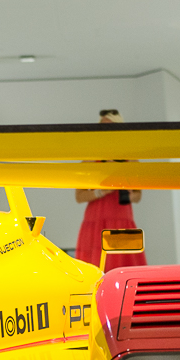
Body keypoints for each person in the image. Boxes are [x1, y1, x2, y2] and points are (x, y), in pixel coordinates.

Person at [74, 109, 146, 269]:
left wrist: (128, 193)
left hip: (122, 219)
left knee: (125, 268)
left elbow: (138, 196)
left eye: (111, 126)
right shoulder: (90, 159)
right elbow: (79, 196)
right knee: (95, 270)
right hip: (95, 220)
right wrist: (101, 191)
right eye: (102, 127)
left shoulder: (131, 160)